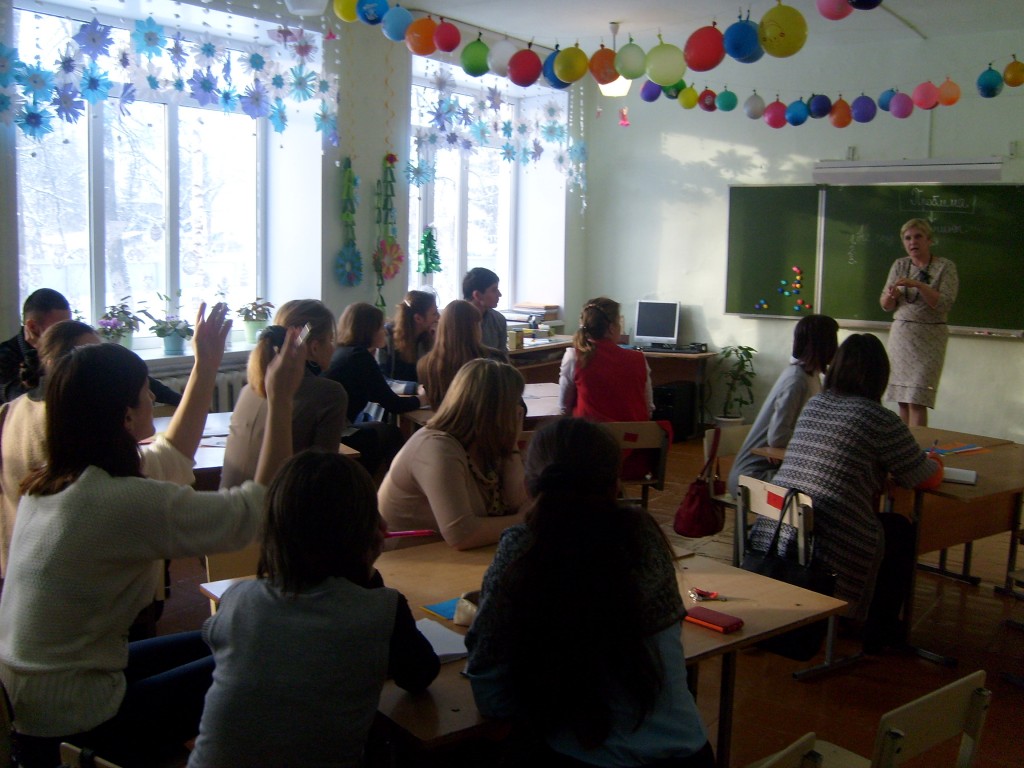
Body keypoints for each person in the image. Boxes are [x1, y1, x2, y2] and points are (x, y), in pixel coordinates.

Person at [0, 305, 307, 768]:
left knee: (225, 634)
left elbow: (171, 455)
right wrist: (280, 399)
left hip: (36, 698)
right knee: (260, 651)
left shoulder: (55, 482)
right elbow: (257, 511)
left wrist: (205, 364)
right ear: (126, 416)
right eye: (146, 392)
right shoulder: (116, 501)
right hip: (71, 719)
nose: (152, 400)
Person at [465, 418, 714, 767]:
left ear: (527, 485)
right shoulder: (644, 536)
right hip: (689, 756)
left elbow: (490, 692)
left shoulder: (524, 548)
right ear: (615, 483)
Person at [188, 450, 439, 767]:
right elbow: (420, 675)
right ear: (368, 530)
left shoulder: (239, 599)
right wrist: (368, 574)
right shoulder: (383, 609)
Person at [750, 334, 943, 653]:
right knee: (899, 531)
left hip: (779, 525)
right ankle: (878, 631)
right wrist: (936, 461)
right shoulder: (879, 419)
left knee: (885, 527)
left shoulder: (816, 404)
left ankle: (853, 621)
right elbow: (924, 476)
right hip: (826, 533)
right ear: (880, 376)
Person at [379, 359, 527, 550]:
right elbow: (462, 534)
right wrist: (524, 520)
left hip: (445, 556)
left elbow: (517, 501)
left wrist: (511, 442)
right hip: (404, 559)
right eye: (515, 402)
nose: (520, 410)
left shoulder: (485, 444)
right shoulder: (436, 447)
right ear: (492, 410)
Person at [0, 321, 100, 579]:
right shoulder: (68, 418)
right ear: (55, 363)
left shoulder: (11, 408)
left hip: (16, 555)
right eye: (91, 358)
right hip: (56, 562)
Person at [220, 299, 347, 489]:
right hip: (273, 505)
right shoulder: (330, 394)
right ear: (314, 347)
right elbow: (323, 479)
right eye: (330, 339)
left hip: (231, 503)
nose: (333, 347)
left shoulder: (249, 389)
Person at [727, 314, 839, 497]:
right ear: (825, 344)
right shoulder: (796, 380)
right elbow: (778, 438)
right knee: (824, 489)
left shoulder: (810, 376)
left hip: (775, 471)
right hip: (753, 478)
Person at [325, 302, 421, 477]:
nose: (385, 331)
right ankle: (399, 482)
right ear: (369, 330)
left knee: (386, 431)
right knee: (389, 434)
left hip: (332, 428)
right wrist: (422, 399)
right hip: (338, 434)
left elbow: (379, 393)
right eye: (381, 327)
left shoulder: (342, 352)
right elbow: (393, 404)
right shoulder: (359, 357)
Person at [879, 218, 959, 427]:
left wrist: (918, 285)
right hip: (902, 336)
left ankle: (917, 446)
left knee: (917, 400)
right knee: (903, 401)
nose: (912, 242)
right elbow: (885, 305)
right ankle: (903, 445)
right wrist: (891, 295)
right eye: (907, 238)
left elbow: (943, 303)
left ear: (929, 240)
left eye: (918, 237)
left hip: (930, 337)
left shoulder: (945, 267)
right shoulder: (900, 265)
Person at [559, 296, 653, 422]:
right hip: (632, 433)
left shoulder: (574, 357)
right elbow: (648, 408)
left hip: (589, 432)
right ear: (612, 327)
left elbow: (564, 407)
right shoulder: (639, 359)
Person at [417, 299, 504, 411]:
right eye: (478, 324)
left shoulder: (425, 364)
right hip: (486, 420)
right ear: (473, 328)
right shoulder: (494, 359)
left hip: (442, 421)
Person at [0, 288, 72, 403]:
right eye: (58, 329)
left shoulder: (68, 350)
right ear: (32, 327)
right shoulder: (5, 356)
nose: (66, 335)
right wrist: (44, 352)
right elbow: (25, 401)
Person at [377, 290, 439, 383]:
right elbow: (380, 380)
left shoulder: (428, 337)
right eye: (434, 314)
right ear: (418, 318)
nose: (438, 317)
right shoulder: (386, 337)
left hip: (418, 392)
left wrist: (437, 342)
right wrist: (413, 388)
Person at [463, 267, 508, 353]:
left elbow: (502, 356)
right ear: (477, 295)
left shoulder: (499, 319)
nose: (499, 294)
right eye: (494, 290)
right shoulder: (456, 321)